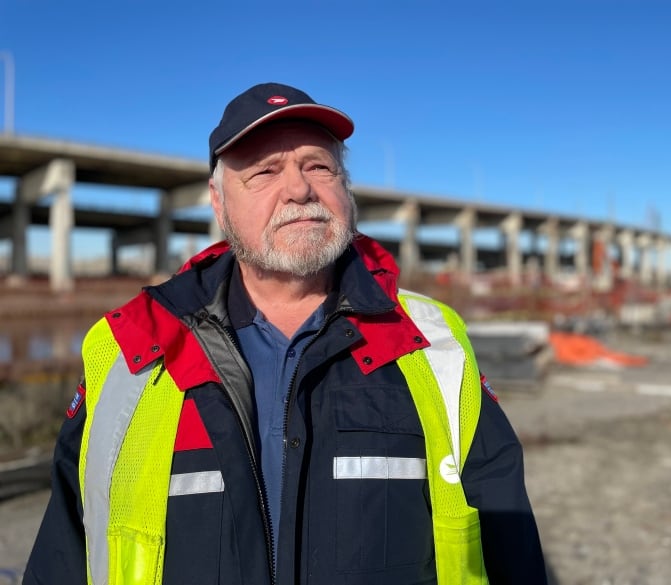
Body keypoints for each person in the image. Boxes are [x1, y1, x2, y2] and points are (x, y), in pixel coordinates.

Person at [23, 82, 548, 585]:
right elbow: (66, 551)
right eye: (264, 171)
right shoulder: (130, 352)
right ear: (217, 201)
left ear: (346, 188)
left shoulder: (431, 343)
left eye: (319, 165)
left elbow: (507, 538)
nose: (299, 188)